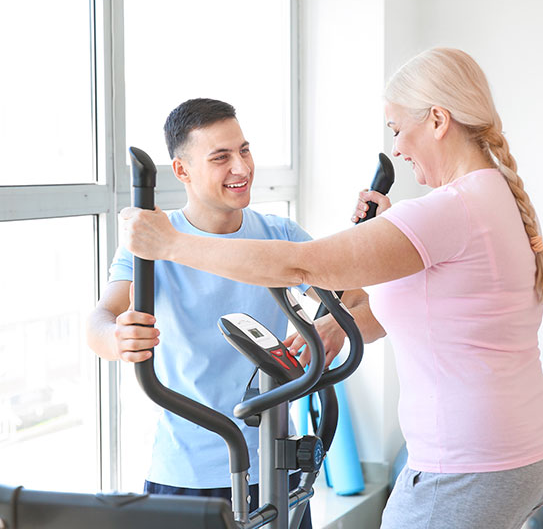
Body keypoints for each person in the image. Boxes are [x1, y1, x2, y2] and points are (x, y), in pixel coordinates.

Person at [119, 49, 543, 529]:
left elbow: (302, 266)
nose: (396, 148)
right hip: (527, 449)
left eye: (397, 129)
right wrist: (336, 326)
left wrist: (169, 243)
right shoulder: (487, 193)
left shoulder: (445, 210)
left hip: (468, 462)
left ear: (438, 119)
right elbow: (436, 303)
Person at [87, 98, 374, 527]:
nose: (241, 168)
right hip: (185, 473)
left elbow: (363, 307)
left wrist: (333, 327)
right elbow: (100, 320)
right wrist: (117, 337)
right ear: (181, 170)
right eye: (221, 157)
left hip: (275, 464)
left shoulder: (280, 235)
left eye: (244, 150)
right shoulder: (152, 239)